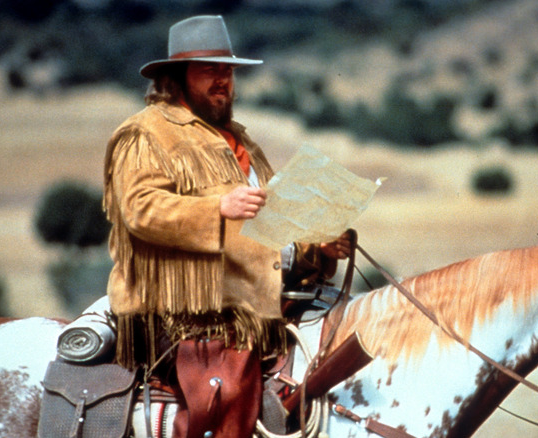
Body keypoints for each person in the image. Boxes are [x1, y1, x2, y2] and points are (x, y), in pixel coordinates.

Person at [102, 15, 351, 438]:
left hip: (256, 299)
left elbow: (267, 226)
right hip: (190, 311)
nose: (223, 81)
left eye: (228, 71)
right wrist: (217, 207)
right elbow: (140, 210)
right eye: (209, 70)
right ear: (176, 78)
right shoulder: (145, 134)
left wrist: (317, 247)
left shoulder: (237, 139)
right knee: (229, 391)